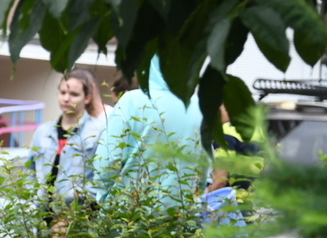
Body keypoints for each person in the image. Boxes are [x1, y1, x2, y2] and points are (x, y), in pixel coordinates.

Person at [91, 57, 209, 206]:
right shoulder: (200, 107)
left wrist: (104, 199)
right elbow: (204, 173)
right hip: (181, 217)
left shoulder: (132, 101)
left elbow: (106, 162)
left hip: (129, 216)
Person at [25, 71, 106, 205]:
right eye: (63, 92)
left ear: (87, 98)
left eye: (74, 94)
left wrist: (72, 210)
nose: (66, 99)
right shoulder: (43, 131)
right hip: (40, 216)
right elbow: (30, 170)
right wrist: (33, 199)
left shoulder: (97, 131)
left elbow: (101, 179)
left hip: (76, 216)